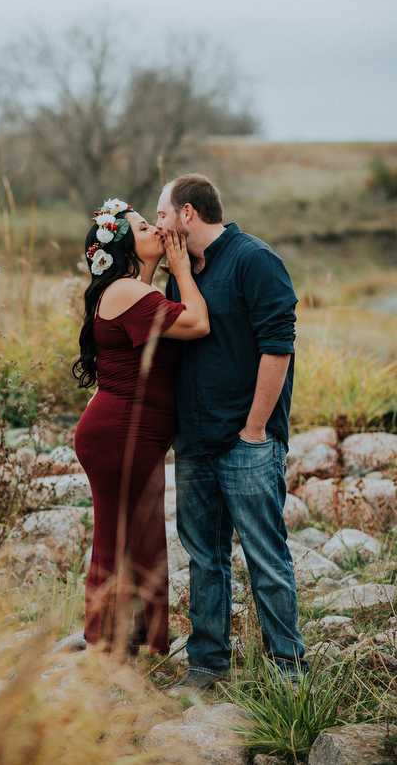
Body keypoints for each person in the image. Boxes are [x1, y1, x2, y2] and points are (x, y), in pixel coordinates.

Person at [155, 173, 308, 700]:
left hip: (246, 442)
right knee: (204, 557)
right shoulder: (183, 272)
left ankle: (287, 669)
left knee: (265, 555)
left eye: (162, 214)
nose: (158, 225)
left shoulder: (254, 260)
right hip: (194, 440)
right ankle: (208, 664)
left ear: (188, 214)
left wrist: (256, 429)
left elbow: (278, 348)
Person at [73, 197, 209, 692]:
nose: (158, 228)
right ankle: (100, 652)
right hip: (117, 435)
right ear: (127, 246)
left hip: (131, 434)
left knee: (136, 535)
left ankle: (122, 641)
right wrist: (182, 269)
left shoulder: (135, 289)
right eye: (145, 226)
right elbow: (198, 323)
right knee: (114, 538)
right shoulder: (129, 288)